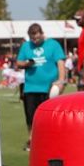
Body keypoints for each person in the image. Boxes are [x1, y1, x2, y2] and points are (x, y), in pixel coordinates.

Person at [17, 22, 66, 151]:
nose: (35, 41)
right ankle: (32, 140)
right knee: (31, 116)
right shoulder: (26, 46)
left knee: (50, 116)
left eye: (37, 37)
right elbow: (19, 62)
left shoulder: (53, 45)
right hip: (30, 87)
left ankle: (51, 139)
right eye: (33, 38)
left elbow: (60, 62)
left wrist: (61, 80)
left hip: (49, 87)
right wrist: (27, 64)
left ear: (42, 34)